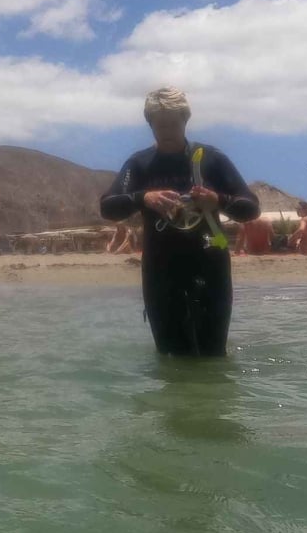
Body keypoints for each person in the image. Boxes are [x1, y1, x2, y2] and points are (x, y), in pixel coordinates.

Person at [99, 86, 260, 358]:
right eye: (160, 125)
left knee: (212, 356)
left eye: (174, 123)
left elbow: (251, 208)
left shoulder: (210, 159)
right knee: (171, 359)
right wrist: (143, 198)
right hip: (161, 274)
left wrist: (217, 200)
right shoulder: (140, 164)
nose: (168, 131)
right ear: (150, 123)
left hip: (210, 270)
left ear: (186, 120)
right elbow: (108, 207)